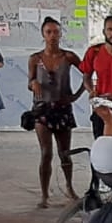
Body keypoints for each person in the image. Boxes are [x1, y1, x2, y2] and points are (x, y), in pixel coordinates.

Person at [28, 17, 84, 208]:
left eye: (56, 32)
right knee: (46, 153)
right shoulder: (35, 59)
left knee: (65, 153)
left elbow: (87, 73)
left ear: (61, 34)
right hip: (42, 109)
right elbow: (31, 81)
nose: (52, 36)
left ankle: (69, 186)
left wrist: (76, 96)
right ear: (43, 34)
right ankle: (44, 194)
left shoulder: (68, 57)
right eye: (48, 32)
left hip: (62, 109)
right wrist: (33, 83)